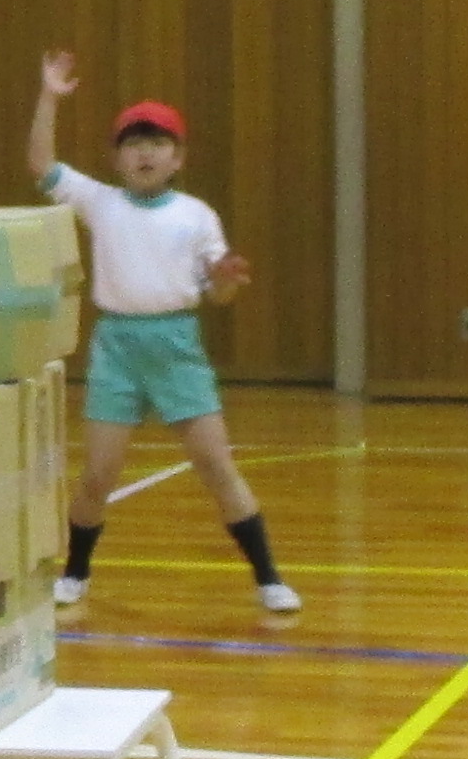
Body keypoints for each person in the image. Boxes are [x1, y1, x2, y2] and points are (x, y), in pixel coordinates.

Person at [26, 52, 294, 618]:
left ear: (178, 158)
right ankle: (75, 573)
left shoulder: (197, 215)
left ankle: (269, 579)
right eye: (133, 143)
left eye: (157, 143)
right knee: (97, 476)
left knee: (216, 467)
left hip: (177, 349)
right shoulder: (99, 202)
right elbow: (41, 164)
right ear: (117, 157)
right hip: (116, 348)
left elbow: (219, 293)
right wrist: (50, 95)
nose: (144, 152)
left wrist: (226, 281)